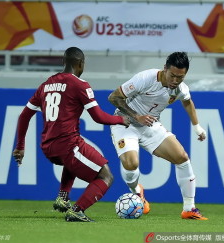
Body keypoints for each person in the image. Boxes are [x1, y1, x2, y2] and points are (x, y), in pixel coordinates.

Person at [12, 47, 130, 222]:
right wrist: (121, 120)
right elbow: (98, 117)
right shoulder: (80, 85)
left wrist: (20, 146)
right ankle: (77, 210)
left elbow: (24, 115)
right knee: (106, 175)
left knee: (74, 159)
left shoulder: (46, 85)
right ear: (81, 64)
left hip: (48, 147)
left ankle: (63, 197)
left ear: (63, 62)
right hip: (67, 144)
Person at [108, 52, 208, 220]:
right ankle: (137, 193)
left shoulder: (180, 88)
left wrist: (197, 127)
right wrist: (136, 116)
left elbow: (187, 101)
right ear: (165, 69)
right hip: (125, 123)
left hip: (150, 126)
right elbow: (113, 97)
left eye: (180, 77)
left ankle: (189, 209)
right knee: (131, 164)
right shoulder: (145, 78)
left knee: (182, 157)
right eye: (173, 75)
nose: (175, 80)